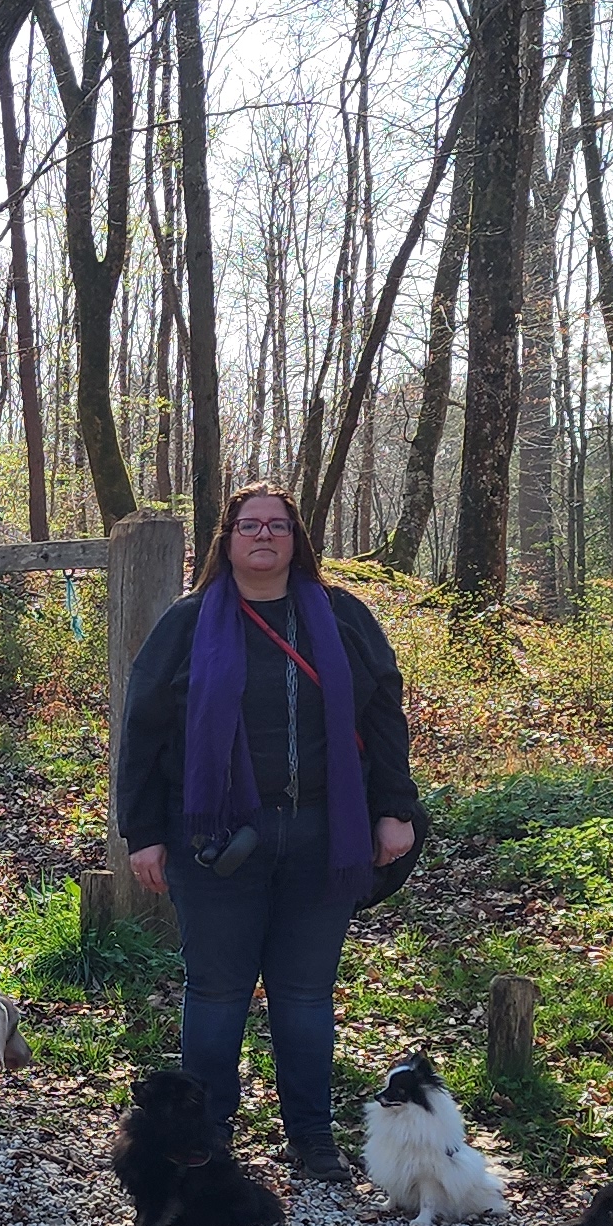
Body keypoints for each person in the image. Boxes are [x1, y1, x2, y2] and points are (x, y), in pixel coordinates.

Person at [116, 483, 425, 1183]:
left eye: (277, 526)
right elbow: (143, 731)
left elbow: (383, 715)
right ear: (226, 539)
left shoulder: (343, 618)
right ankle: (207, 1138)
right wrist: (143, 832)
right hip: (215, 841)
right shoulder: (187, 625)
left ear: (297, 538)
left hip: (324, 833)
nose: (263, 536)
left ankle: (312, 1139)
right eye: (248, 525)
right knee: (218, 995)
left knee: (307, 994)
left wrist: (394, 808)